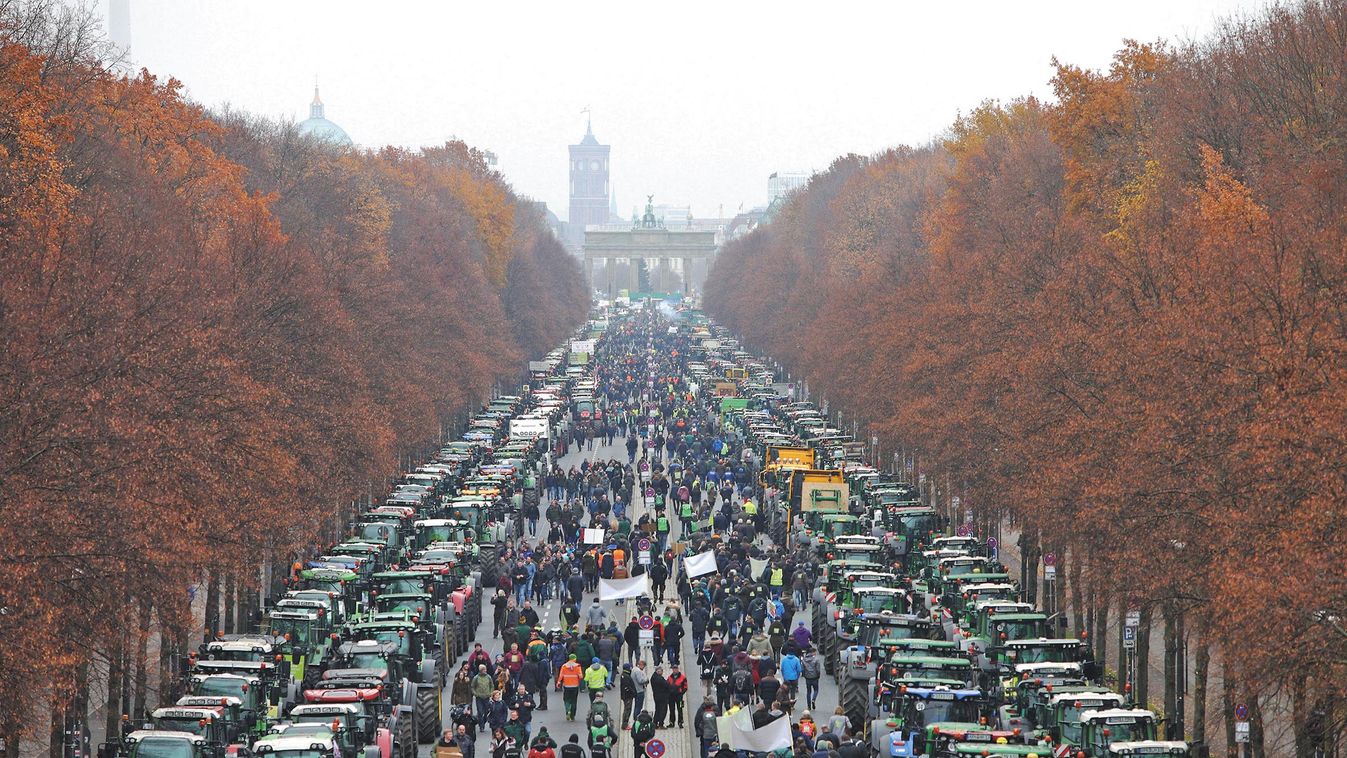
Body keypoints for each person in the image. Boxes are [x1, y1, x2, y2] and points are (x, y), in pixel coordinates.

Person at [557, 654, 584, 720]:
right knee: (574, 700)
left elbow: (561, 675)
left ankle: (568, 710)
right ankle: (572, 716)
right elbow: (580, 676)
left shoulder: (564, 666)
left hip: (566, 686)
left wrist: (559, 682)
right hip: (575, 686)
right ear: (574, 659)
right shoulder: (577, 666)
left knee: (566, 699)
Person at [473, 665, 496, 732]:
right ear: (480, 670)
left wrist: (491, 693)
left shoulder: (488, 677)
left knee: (487, 711)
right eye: (483, 670)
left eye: (485, 669)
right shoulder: (476, 678)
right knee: (480, 712)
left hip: (487, 697)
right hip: (479, 697)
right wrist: (475, 693)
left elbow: (492, 685)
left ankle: (484, 721)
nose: (485, 671)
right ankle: (481, 726)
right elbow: (472, 687)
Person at [666, 664, 689, 728]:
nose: (675, 670)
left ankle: (680, 722)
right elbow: (667, 685)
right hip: (671, 696)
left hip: (679, 696)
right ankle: (672, 722)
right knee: (671, 709)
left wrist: (681, 693)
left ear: (678, 669)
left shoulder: (683, 677)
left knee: (680, 709)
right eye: (673, 669)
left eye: (676, 669)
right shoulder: (669, 677)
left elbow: (685, 687)